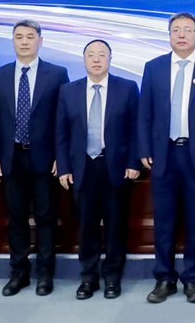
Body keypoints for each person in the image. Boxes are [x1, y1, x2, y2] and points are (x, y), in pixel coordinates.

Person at [138, 13, 195, 303]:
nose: (181, 35)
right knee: (164, 221)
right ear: (169, 35)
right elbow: (144, 113)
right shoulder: (153, 67)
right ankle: (164, 278)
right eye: (176, 30)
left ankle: (192, 279)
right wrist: (144, 149)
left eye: (188, 30)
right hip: (163, 155)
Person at [0, 20, 70, 296]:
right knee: (16, 218)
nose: (24, 41)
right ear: (12, 41)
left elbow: (64, 118)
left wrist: (61, 156)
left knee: (46, 217)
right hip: (10, 158)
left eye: (30, 37)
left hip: (45, 159)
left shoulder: (57, 74)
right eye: (19, 37)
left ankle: (45, 274)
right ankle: (18, 273)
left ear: (40, 41)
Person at [55, 39, 140, 300]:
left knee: (115, 226)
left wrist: (133, 163)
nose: (96, 59)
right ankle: (88, 278)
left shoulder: (127, 88)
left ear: (110, 59)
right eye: (91, 55)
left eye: (102, 54)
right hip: (82, 167)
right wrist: (64, 167)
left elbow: (136, 129)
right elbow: (61, 133)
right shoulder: (68, 91)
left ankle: (112, 278)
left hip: (116, 167)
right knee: (86, 226)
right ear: (83, 59)